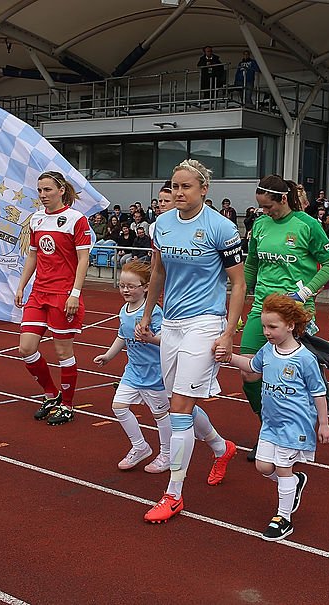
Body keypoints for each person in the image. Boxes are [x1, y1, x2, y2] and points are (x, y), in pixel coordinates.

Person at [137, 159, 245, 523]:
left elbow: (239, 283)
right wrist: (147, 312)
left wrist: (228, 332)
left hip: (205, 323)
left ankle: (173, 495)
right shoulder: (161, 225)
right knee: (174, 402)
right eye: (174, 186)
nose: (179, 193)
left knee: (180, 408)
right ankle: (221, 446)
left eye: (186, 187)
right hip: (171, 322)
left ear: (204, 190)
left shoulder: (222, 228)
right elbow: (158, 272)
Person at [241, 175, 329, 455]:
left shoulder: (308, 225)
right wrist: (242, 301)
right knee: (249, 372)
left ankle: (311, 417)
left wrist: (305, 293)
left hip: (295, 312)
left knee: (295, 375)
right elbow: (251, 266)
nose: (264, 212)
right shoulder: (259, 224)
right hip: (262, 307)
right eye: (261, 207)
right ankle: (268, 428)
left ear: (283, 199)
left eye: (269, 207)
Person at [229, 294, 329, 541]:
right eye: (264, 326)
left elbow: (319, 392)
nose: (266, 331)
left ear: (290, 326)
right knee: (264, 466)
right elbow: (252, 366)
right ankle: (294, 483)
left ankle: (283, 518)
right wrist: (228, 357)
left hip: (295, 424)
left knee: (283, 467)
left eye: (272, 327)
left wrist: (325, 423)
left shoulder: (305, 358)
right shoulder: (268, 350)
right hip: (271, 423)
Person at [14, 170, 93, 426]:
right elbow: (33, 256)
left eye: (47, 190)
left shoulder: (75, 219)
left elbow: (83, 260)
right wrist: (21, 286)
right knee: (26, 348)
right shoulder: (35, 219)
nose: (42, 195)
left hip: (63, 294)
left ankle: (68, 405)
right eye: (39, 190)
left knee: (62, 351)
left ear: (61, 190)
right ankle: (51, 394)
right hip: (39, 292)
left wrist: (75, 293)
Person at [94, 260, 171, 473]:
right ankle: (140, 447)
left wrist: (150, 338)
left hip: (154, 371)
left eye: (131, 286)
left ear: (146, 287)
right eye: (122, 285)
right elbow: (122, 335)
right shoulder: (123, 310)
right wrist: (108, 356)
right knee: (118, 406)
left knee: (160, 415)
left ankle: (166, 454)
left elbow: (167, 339)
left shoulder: (153, 311)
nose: (125, 290)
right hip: (133, 370)